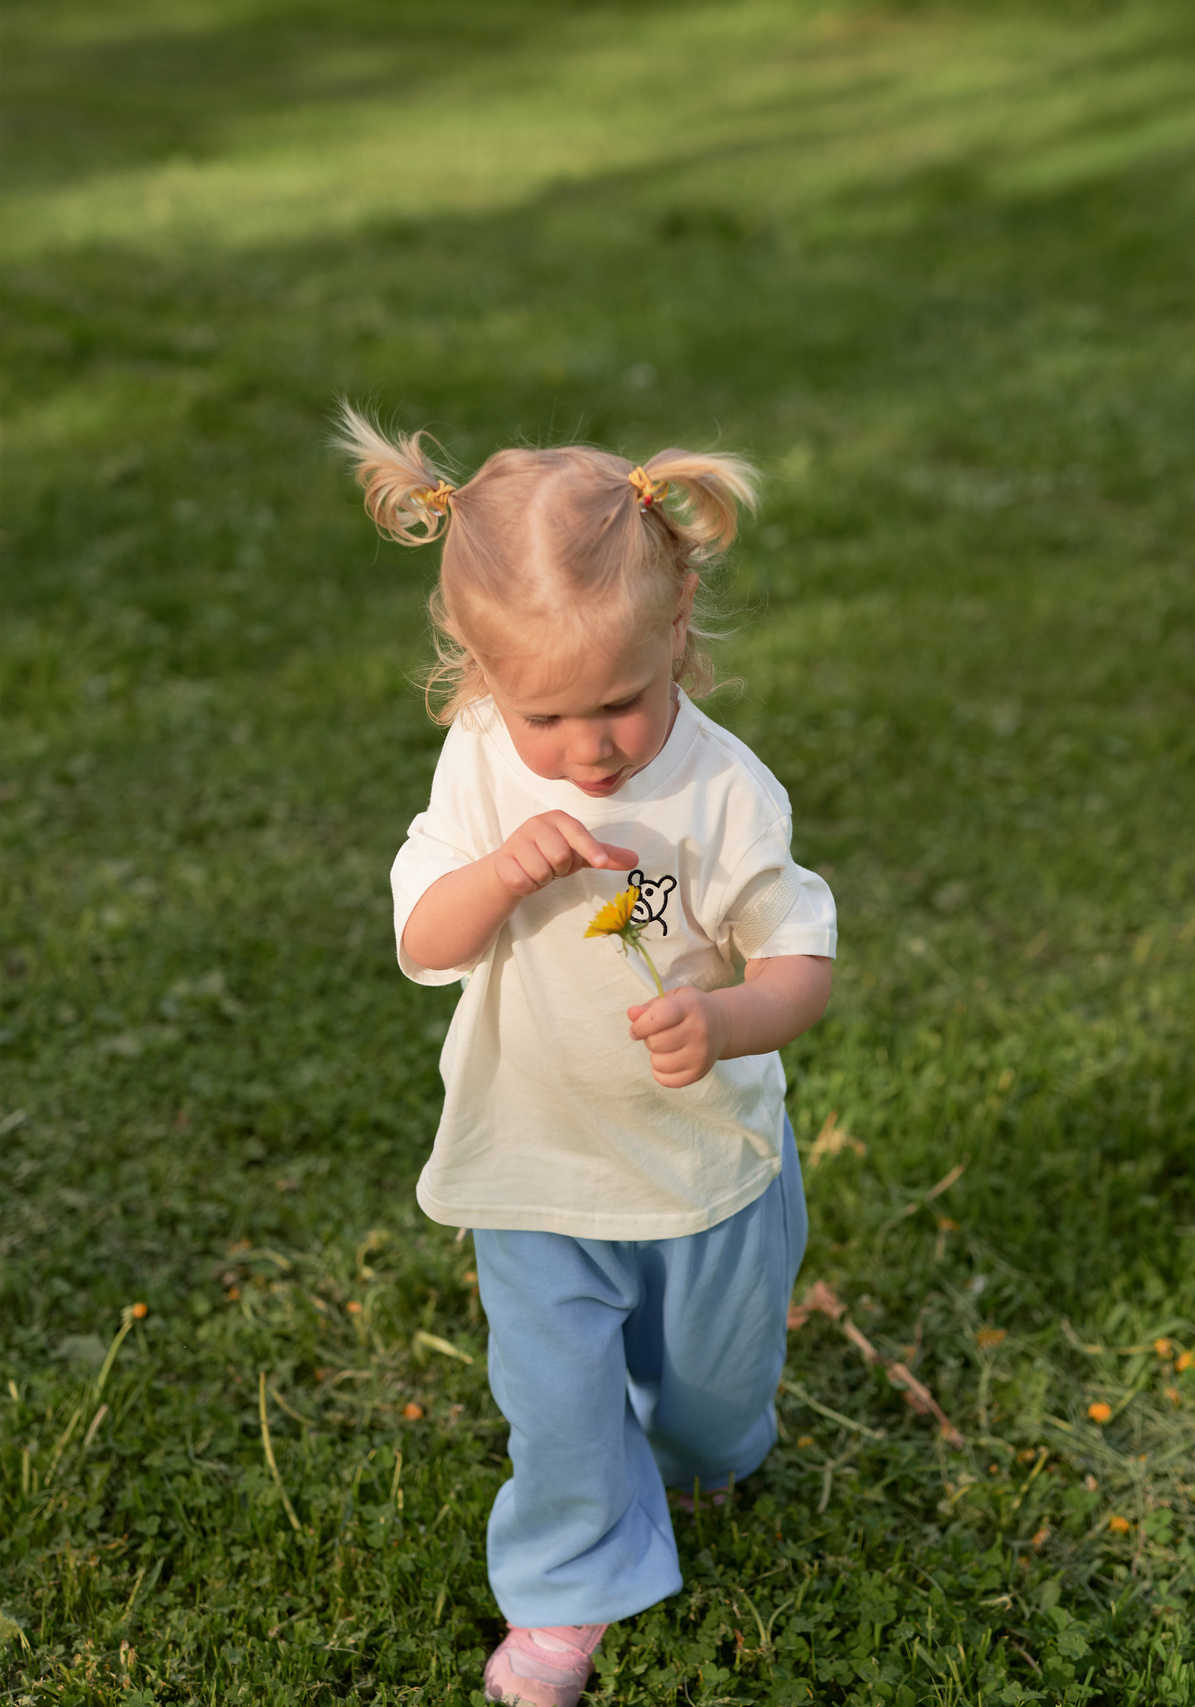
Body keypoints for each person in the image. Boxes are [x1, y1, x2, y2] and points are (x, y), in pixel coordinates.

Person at [344, 407, 836, 1707]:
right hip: (537, 1157)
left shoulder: (725, 792)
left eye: (620, 703)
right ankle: (564, 1595)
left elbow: (799, 959)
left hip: (703, 1163)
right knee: (562, 1409)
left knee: (708, 1416)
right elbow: (425, 941)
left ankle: (703, 1453)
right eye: (546, 714)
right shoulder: (482, 771)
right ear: (485, 678)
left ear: (677, 627)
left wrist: (728, 1020)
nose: (591, 748)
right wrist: (504, 866)